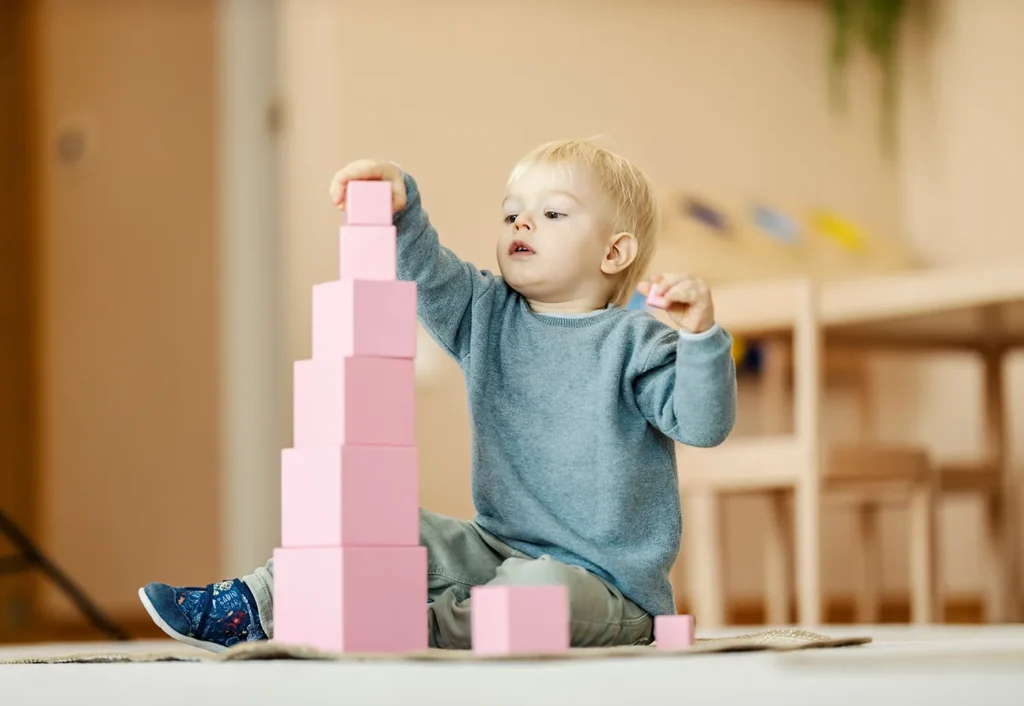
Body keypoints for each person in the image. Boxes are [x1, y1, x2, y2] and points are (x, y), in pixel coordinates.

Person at [138, 139, 736, 653]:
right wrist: (402, 205)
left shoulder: (638, 340)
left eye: (552, 214)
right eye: (512, 214)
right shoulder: (486, 313)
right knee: (378, 520)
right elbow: (427, 271)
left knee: (537, 593)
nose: (522, 224)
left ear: (614, 253)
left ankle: (410, 626)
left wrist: (702, 340)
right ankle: (255, 605)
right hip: (495, 547)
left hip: (607, 586)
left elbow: (703, 425)